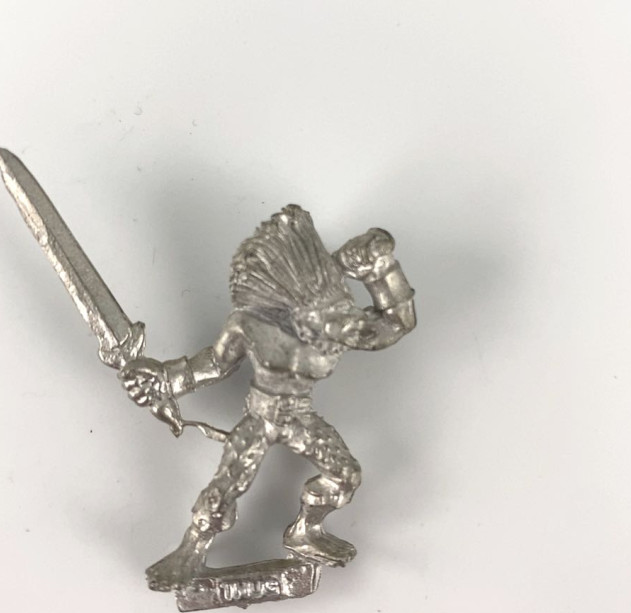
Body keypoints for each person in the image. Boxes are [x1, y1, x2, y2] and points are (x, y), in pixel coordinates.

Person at [118, 205, 416, 591]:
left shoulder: (338, 326)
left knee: (344, 477)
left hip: (301, 418)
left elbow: (396, 322)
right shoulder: (251, 325)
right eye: (323, 316)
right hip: (259, 418)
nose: (336, 323)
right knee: (225, 488)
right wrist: (164, 380)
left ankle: (306, 531)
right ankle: (190, 551)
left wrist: (381, 270)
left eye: (337, 313)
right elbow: (214, 364)